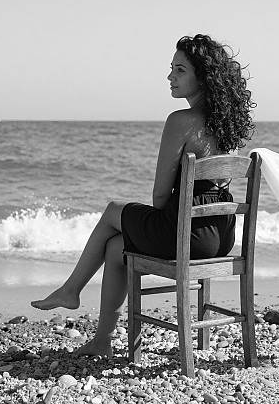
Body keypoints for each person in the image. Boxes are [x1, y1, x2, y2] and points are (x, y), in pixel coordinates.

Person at [31, 34, 256, 357]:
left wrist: (156, 222)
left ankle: (71, 289)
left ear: (203, 77)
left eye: (179, 70)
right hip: (221, 237)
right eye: (171, 69)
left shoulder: (181, 121)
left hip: (185, 236)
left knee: (113, 210)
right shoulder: (229, 125)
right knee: (115, 246)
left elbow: (161, 195)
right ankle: (102, 340)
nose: (170, 77)